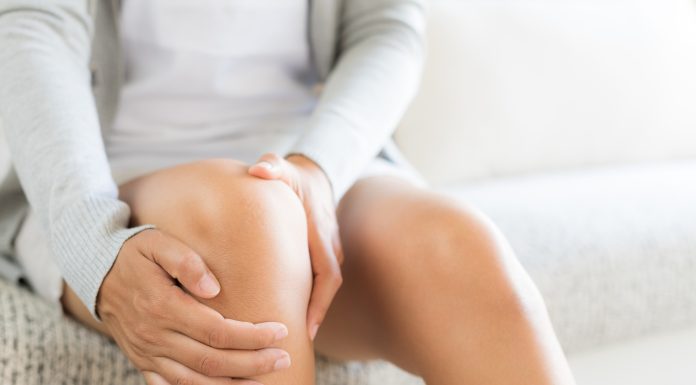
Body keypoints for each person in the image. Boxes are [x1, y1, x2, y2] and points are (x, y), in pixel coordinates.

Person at [0, 0, 577, 384]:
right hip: (99, 174)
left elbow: (386, 27)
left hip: (309, 155)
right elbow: (32, 25)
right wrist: (89, 241)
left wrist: (320, 168)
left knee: (463, 250)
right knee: (248, 224)